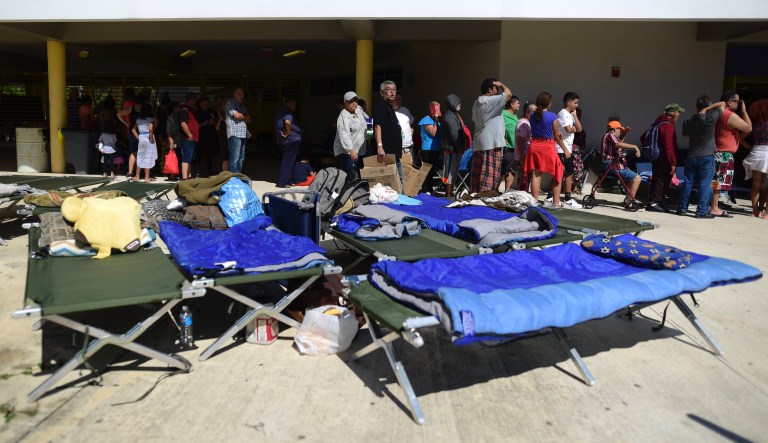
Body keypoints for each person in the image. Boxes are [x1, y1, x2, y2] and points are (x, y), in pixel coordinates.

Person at [678, 95, 725, 218]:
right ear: (708, 107)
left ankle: (682, 208)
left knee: (688, 182)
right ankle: (702, 211)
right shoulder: (710, 119)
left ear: (696, 106)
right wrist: (708, 109)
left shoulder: (688, 120)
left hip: (691, 155)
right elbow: (723, 104)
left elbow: (685, 136)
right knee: (705, 183)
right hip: (707, 156)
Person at [711, 91, 752, 217]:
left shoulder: (717, 113)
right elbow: (748, 128)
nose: (739, 104)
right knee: (719, 182)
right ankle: (714, 207)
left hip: (716, 151)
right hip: (724, 154)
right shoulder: (729, 115)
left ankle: (712, 205)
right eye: (737, 101)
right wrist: (744, 111)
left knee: (715, 181)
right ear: (730, 102)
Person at [471, 78, 512, 192]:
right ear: (490, 89)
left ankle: (475, 195)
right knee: (489, 173)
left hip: (480, 142)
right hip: (491, 143)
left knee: (478, 173)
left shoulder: (476, 103)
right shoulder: (491, 100)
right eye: (496, 88)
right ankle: (485, 196)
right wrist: (502, 84)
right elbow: (508, 94)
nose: (498, 91)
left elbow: (475, 121)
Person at [525, 92, 565, 209]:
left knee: (536, 175)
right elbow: (556, 135)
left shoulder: (531, 115)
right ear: (549, 103)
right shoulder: (552, 116)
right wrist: (565, 150)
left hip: (534, 145)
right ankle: (556, 203)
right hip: (547, 146)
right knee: (558, 172)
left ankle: (535, 202)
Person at [645, 103, 683, 212]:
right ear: (674, 113)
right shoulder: (668, 126)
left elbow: (643, 137)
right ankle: (654, 203)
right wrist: (673, 162)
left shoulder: (657, 123)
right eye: (678, 112)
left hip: (656, 156)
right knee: (661, 180)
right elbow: (669, 146)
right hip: (664, 157)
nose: (679, 115)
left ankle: (657, 202)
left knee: (657, 178)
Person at [549, 92, 583, 208]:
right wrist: (573, 127)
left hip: (567, 148)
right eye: (575, 103)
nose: (576, 105)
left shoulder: (570, 114)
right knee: (562, 173)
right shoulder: (563, 113)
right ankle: (565, 198)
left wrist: (575, 116)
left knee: (568, 172)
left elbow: (579, 129)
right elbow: (569, 129)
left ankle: (552, 196)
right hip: (561, 148)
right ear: (568, 102)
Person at [601, 120, 642, 206]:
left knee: (633, 178)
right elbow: (618, 144)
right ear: (615, 129)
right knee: (637, 178)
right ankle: (630, 202)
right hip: (612, 165)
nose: (620, 132)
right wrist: (635, 146)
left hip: (611, 164)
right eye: (620, 130)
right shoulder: (610, 134)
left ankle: (628, 200)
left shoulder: (609, 135)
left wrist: (624, 133)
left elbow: (619, 142)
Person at [373, 80, 404, 187]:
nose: (392, 92)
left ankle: (402, 200)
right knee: (393, 182)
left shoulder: (389, 107)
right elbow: (377, 126)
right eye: (388, 90)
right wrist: (380, 146)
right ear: (382, 93)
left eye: (394, 90)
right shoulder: (381, 106)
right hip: (386, 153)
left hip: (395, 153)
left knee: (398, 180)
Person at [333, 91, 368, 182]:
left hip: (359, 151)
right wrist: (351, 150)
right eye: (351, 101)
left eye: (355, 100)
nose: (354, 102)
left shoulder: (358, 110)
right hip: (346, 153)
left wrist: (370, 134)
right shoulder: (344, 116)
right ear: (345, 102)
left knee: (360, 177)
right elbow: (344, 134)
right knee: (349, 178)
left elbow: (367, 118)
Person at [743, 99, 768, 218]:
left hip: (757, 152)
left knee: (756, 184)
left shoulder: (754, 123)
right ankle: (767, 213)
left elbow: (741, 138)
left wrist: (750, 147)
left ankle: (755, 211)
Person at [441, 93, 469, 197]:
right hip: (452, 149)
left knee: (451, 172)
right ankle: (448, 194)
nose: (460, 105)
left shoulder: (452, 114)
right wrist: (459, 147)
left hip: (452, 148)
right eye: (458, 103)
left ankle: (449, 193)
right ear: (452, 103)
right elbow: (454, 134)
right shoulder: (450, 116)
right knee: (451, 172)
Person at [275, 97, 302, 188]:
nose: (294, 107)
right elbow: (287, 122)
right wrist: (289, 131)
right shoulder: (287, 112)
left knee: (290, 161)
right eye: (293, 105)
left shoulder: (280, 112)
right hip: (291, 140)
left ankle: (288, 181)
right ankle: (282, 182)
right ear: (287, 104)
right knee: (288, 161)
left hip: (285, 141)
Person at [418, 101, 443, 193]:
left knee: (433, 170)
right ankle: (425, 188)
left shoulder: (435, 121)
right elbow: (433, 133)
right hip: (428, 149)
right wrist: (436, 121)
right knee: (427, 169)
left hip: (436, 148)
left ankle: (430, 187)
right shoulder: (426, 120)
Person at [225, 87, 251, 173]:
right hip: (235, 134)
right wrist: (243, 116)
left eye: (243, 94)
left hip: (243, 134)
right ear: (234, 95)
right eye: (240, 94)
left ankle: (238, 176)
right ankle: (233, 179)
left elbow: (249, 119)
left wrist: (242, 116)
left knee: (241, 158)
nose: (242, 96)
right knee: (234, 158)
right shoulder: (230, 103)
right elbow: (237, 116)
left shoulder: (242, 106)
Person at [132, 103, 157, 183]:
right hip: (148, 139)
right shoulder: (150, 119)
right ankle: (147, 177)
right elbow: (150, 129)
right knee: (148, 157)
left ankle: (137, 176)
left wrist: (138, 138)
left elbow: (133, 130)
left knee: (140, 157)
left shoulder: (138, 119)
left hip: (141, 139)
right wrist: (150, 139)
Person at [499, 95, 520, 191]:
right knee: (502, 171)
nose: (519, 105)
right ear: (512, 104)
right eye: (517, 103)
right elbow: (496, 127)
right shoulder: (502, 114)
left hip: (514, 148)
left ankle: (507, 191)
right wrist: (501, 139)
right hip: (506, 148)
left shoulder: (515, 116)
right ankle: (494, 190)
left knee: (511, 171)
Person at [195, 96, 219, 177]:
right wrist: (203, 123)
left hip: (211, 137)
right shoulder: (197, 113)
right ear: (200, 104)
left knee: (210, 156)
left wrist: (214, 123)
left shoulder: (212, 112)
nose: (206, 105)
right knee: (199, 155)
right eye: (204, 104)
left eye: (207, 104)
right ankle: (198, 172)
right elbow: (194, 126)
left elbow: (218, 122)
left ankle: (210, 173)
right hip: (201, 137)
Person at [515, 101, 536, 192]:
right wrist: (522, 157)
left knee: (526, 180)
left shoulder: (528, 122)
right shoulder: (523, 123)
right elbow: (520, 141)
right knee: (523, 181)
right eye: (534, 112)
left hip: (527, 156)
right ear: (527, 112)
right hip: (524, 157)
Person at [179, 92, 199, 180]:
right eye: (193, 99)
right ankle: (184, 177)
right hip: (188, 139)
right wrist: (189, 134)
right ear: (189, 100)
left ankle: (189, 175)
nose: (195, 101)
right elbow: (183, 123)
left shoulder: (191, 110)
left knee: (190, 158)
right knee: (186, 158)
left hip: (193, 138)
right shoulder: (184, 110)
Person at [394, 93, 417, 167]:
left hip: (408, 146)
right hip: (396, 148)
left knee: (409, 170)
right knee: (398, 170)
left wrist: (411, 130)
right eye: (396, 99)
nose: (398, 101)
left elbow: (411, 123)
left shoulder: (405, 110)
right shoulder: (389, 111)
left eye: (400, 99)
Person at [571, 108, 587, 194]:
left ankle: (574, 187)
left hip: (577, 154)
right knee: (567, 171)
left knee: (579, 171)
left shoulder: (580, 130)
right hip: (568, 153)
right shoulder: (568, 127)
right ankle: (568, 188)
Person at [165, 101, 182, 181]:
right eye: (179, 107)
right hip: (174, 141)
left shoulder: (179, 116)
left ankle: (177, 174)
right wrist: (171, 141)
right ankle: (172, 175)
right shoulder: (171, 117)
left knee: (178, 158)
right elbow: (169, 131)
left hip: (180, 141)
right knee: (174, 158)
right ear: (175, 108)